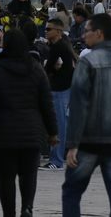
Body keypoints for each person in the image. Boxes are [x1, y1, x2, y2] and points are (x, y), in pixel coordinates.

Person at [62, 13, 111, 217]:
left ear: (99, 33)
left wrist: (72, 144)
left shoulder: (87, 62)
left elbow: (79, 104)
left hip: (90, 139)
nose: (84, 35)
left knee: (71, 192)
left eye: (87, 31)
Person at [0, 29, 57, 217]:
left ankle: (9, 213)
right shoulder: (36, 69)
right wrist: (52, 132)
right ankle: (27, 207)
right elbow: (46, 103)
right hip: (31, 132)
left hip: (3, 133)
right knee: (29, 175)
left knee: (6, 179)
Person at [42, 16, 75, 170]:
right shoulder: (62, 45)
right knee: (62, 125)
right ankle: (57, 158)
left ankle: (56, 160)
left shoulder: (58, 47)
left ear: (58, 31)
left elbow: (47, 68)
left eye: (49, 29)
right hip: (63, 90)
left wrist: (52, 71)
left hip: (59, 90)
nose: (46, 31)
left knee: (58, 126)